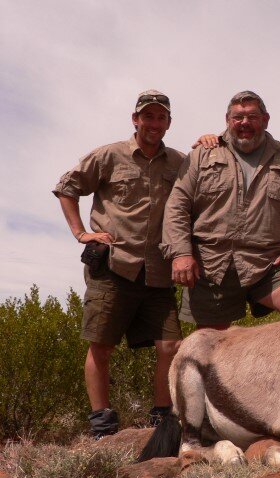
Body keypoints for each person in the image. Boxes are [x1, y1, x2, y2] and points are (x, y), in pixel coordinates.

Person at [53, 90, 187, 439]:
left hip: (159, 271)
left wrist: (214, 141)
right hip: (113, 266)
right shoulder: (109, 155)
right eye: (148, 116)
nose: (154, 123)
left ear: (168, 123)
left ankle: (161, 419)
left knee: (170, 346)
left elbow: (201, 190)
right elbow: (67, 187)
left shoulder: (179, 162)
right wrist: (81, 233)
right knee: (101, 345)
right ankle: (102, 425)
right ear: (135, 119)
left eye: (161, 117)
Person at [161, 91, 280, 329]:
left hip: (267, 263)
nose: (244, 122)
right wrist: (181, 253)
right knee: (211, 346)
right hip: (211, 265)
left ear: (265, 119)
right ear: (227, 120)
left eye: (252, 116)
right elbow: (177, 205)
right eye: (238, 117)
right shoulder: (203, 154)